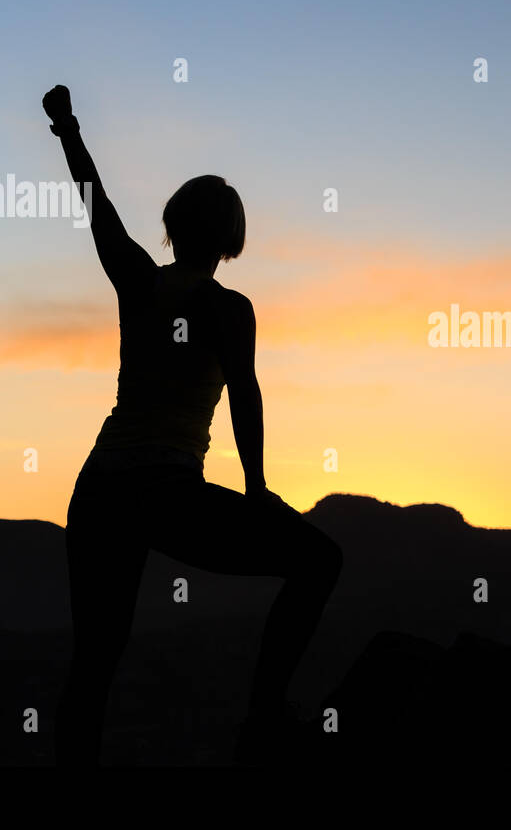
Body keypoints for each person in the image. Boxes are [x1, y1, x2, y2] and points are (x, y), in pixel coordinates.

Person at [42, 85, 342, 766]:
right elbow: (245, 393)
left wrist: (67, 129)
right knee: (320, 560)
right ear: (230, 236)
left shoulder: (140, 282)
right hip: (164, 492)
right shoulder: (229, 308)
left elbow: (97, 206)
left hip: (100, 492)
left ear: (176, 225)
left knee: (94, 661)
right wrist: (258, 488)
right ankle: (264, 715)